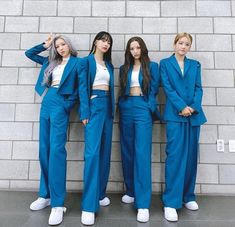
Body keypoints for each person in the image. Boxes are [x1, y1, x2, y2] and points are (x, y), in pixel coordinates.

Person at [25, 34, 81, 225]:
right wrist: (45, 44)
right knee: (44, 149)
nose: (60, 48)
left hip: (61, 103)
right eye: (57, 46)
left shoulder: (77, 63)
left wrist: (68, 104)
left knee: (57, 151)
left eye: (63, 44)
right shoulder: (51, 61)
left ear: (68, 45)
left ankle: (58, 204)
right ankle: (45, 195)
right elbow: (29, 54)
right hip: (47, 101)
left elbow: (80, 87)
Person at [160, 32, 207, 222]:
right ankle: (171, 202)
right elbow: (168, 88)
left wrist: (193, 107)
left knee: (190, 156)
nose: (183, 46)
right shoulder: (165, 64)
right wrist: (181, 106)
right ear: (174, 44)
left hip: (193, 116)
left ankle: (188, 196)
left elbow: (199, 88)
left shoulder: (195, 65)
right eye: (180, 43)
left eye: (187, 44)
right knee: (175, 157)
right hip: (175, 116)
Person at [118, 37, 160, 223]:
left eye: (138, 47)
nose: (135, 51)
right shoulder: (123, 68)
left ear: (143, 48)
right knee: (127, 151)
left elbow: (154, 90)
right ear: (129, 50)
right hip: (126, 107)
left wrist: (150, 107)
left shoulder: (153, 66)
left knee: (141, 153)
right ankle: (131, 191)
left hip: (143, 107)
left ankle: (143, 204)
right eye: (132, 48)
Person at [78, 31, 114, 225]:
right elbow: (82, 87)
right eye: (103, 40)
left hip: (108, 107)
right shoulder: (86, 61)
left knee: (104, 153)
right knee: (92, 154)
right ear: (95, 42)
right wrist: (85, 112)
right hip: (94, 105)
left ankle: (100, 193)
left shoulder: (109, 65)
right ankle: (89, 206)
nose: (105, 44)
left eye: (109, 42)